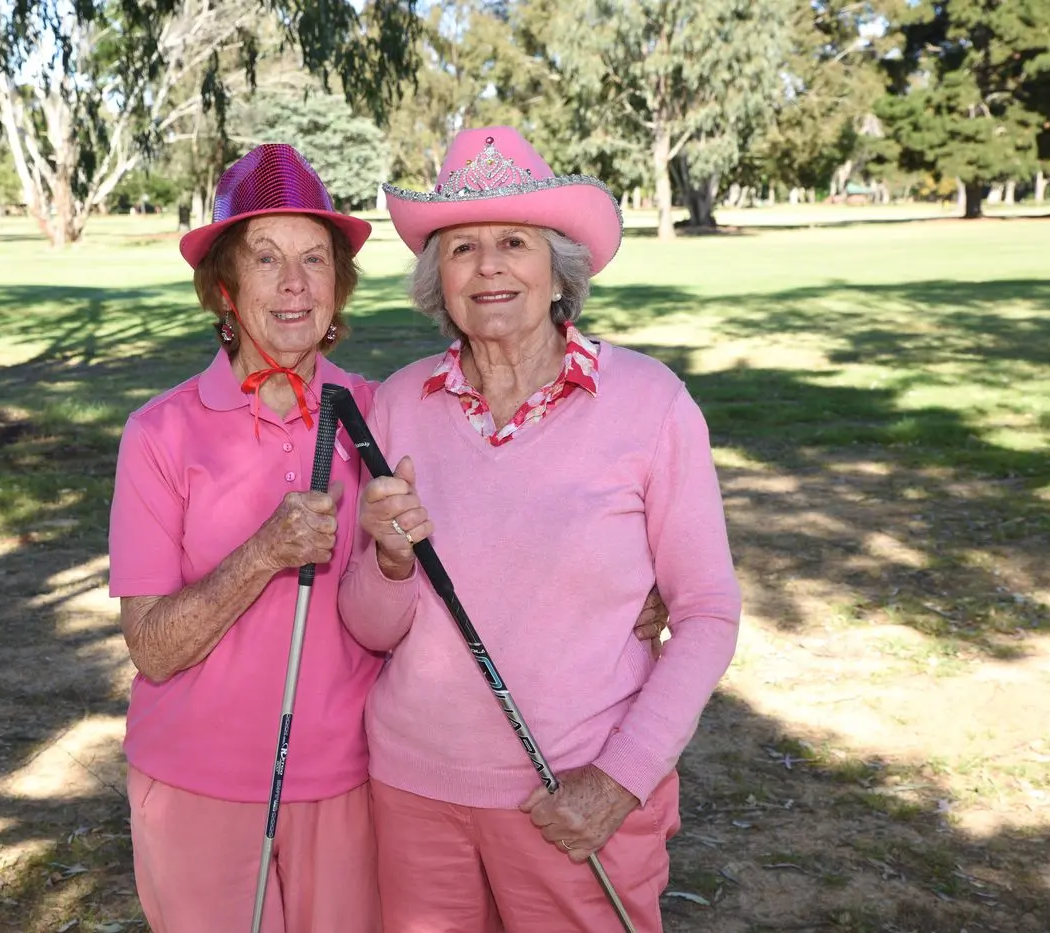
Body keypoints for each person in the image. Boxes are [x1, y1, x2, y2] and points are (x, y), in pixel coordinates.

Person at [338, 126, 742, 933]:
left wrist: (619, 780)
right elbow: (370, 629)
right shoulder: (395, 404)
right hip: (414, 792)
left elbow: (706, 614)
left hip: (576, 794)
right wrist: (387, 559)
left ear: (557, 270)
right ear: (436, 279)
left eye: (514, 242)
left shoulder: (650, 402)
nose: (488, 266)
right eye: (461, 248)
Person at [108, 143, 382, 933]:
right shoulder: (159, 432)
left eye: (315, 259)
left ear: (338, 285)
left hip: (350, 780)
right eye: (266, 258)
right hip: (198, 785)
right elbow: (152, 647)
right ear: (223, 288)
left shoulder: (378, 411)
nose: (295, 284)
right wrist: (264, 552)